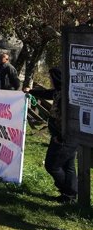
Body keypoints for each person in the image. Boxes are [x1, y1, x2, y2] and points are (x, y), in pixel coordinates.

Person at [25, 69, 77, 203]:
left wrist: (60, 136)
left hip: (63, 137)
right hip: (64, 136)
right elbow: (46, 93)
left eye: (51, 78)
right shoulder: (60, 91)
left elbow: (67, 118)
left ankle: (68, 191)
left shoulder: (66, 96)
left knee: (52, 165)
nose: (51, 81)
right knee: (68, 166)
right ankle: (69, 196)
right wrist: (30, 91)